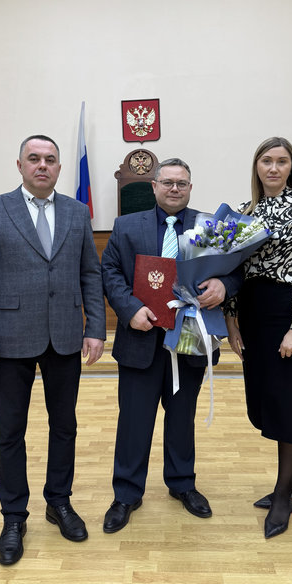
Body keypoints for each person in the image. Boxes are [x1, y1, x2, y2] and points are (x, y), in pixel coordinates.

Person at [0, 135, 106, 565]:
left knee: (65, 427)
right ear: (20, 165)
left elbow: (90, 274)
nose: (43, 165)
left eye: (50, 159)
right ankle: (13, 517)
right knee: (9, 432)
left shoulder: (77, 213)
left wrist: (96, 328)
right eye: (34, 159)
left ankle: (59, 502)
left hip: (65, 336)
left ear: (59, 167)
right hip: (9, 340)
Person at [101, 157, 242, 533]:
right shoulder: (126, 226)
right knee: (134, 421)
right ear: (154, 186)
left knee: (182, 418)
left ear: (190, 188)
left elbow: (235, 271)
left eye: (181, 183)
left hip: (191, 339)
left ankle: (182, 484)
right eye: (167, 182)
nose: (174, 188)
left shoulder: (209, 227)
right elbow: (109, 271)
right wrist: (130, 309)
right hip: (140, 338)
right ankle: (126, 493)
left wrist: (223, 286)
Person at [225, 136, 292, 539]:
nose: (273, 167)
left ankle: (284, 494)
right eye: (266, 160)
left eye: (281, 161)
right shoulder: (244, 211)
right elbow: (232, 268)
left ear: (291, 168)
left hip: (289, 310)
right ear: (256, 166)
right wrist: (231, 320)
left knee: (290, 402)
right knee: (266, 401)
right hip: (253, 311)